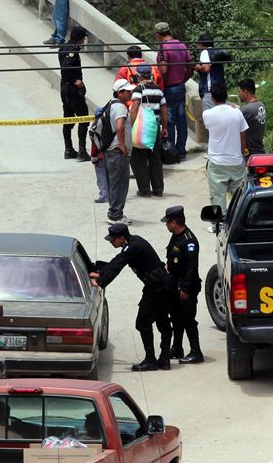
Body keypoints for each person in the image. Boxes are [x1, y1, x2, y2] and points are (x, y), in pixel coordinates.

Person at [90, 223, 174, 371]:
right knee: (162, 322)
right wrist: (101, 274)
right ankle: (164, 359)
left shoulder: (133, 246)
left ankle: (151, 360)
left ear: (122, 238)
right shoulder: (132, 243)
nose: (110, 242)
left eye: (113, 239)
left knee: (143, 323)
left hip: (157, 288)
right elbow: (117, 260)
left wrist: (99, 282)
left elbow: (118, 264)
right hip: (160, 286)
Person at [162, 206, 203, 364]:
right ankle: (177, 348)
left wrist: (185, 289)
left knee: (188, 320)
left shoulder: (189, 241)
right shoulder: (176, 236)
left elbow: (192, 269)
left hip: (186, 287)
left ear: (174, 222)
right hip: (175, 284)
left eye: (168, 222)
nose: (166, 225)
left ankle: (196, 352)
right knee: (176, 318)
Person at [201, 82, 249, 213]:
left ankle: (218, 225)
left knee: (218, 196)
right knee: (239, 197)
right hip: (236, 161)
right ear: (226, 96)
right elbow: (243, 135)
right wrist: (242, 154)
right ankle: (238, 221)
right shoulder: (237, 113)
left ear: (213, 98)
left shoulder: (207, 114)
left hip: (217, 163)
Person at [155, 22, 191, 160]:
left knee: (168, 121)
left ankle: (170, 153)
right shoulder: (182, 45)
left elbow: (163, 70)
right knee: (181, 121)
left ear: (158, 35)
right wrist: (183, 79)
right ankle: (181, 152)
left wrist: (158, 81)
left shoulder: (164, 47)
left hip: (169, 88)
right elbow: (191, 65)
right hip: (181, 87)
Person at [130, 64, 167, 198]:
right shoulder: (158, 90)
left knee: (138, 158)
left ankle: (144, 189)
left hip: (141, 127)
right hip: (155, 127)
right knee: (155, 158)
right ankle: (158, 189)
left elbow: (134, 108)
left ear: (139, 75)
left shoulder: (139, 89)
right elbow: (164, 109)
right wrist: (165, 127)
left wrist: (130, 126)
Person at [104, 79, 135, 224]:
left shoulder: (111, 104)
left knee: (114, 184)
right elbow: (120, 127)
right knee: (120, 185)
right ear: (119, 92)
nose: (130, 93)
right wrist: (123, 145)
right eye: (127, 91)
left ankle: (114, 212)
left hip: (111, 152)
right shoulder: (121, 108)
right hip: (118, 153)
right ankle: (115, 215)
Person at [58, 25, 90, 161]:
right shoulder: (72, 50)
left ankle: (68, 149)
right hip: (72, 90)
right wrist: (75, 81)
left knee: (68, 118)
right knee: (84, 118)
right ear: (80, 38)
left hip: (64, 89)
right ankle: (82, 152)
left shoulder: (63, 47)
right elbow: (66, 68)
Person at [194, 32, 224, 114]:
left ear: (201, 45)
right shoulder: (217, 52)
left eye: (198, 45)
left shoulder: (205, 52)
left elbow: (206, 68)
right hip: (220, 89)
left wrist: (197, 67)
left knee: (210, 117)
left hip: (209, 90)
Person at [237, 78, 266, 156]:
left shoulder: (246, 110)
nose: (239, 94)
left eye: (239, 91)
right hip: (260, 150)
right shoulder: (261, 105)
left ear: (245, 92)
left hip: (250, 154)